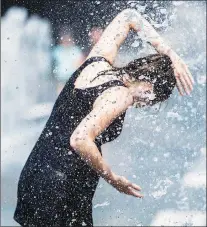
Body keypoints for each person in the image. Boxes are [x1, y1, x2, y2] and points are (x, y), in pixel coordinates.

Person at [14, 8, 193, 227]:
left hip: (36, 175)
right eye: (152, 98)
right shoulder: (120, 94)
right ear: (149, 86)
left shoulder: (97, 62)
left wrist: (170, 53)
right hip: (62, 188)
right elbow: (80, 139)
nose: (146, 103)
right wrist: (113, 178)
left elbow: (128, 16)